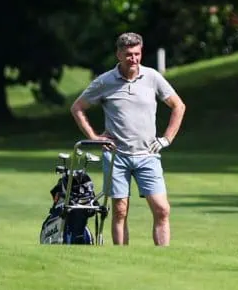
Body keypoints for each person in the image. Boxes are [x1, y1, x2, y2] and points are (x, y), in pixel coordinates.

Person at [70, 32, 186, 246]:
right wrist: (94, 137)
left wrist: (166, 139)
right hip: (117, 156)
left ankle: (164, 258)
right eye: (128, 54)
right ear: (119, 54)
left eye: (137, 54)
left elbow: (178, 106)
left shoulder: (152, 77)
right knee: (120, 209)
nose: (133, 59)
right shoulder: (105, 81)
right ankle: (122, 256)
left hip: (148, 155)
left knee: (162, 209)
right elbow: (77, 108)